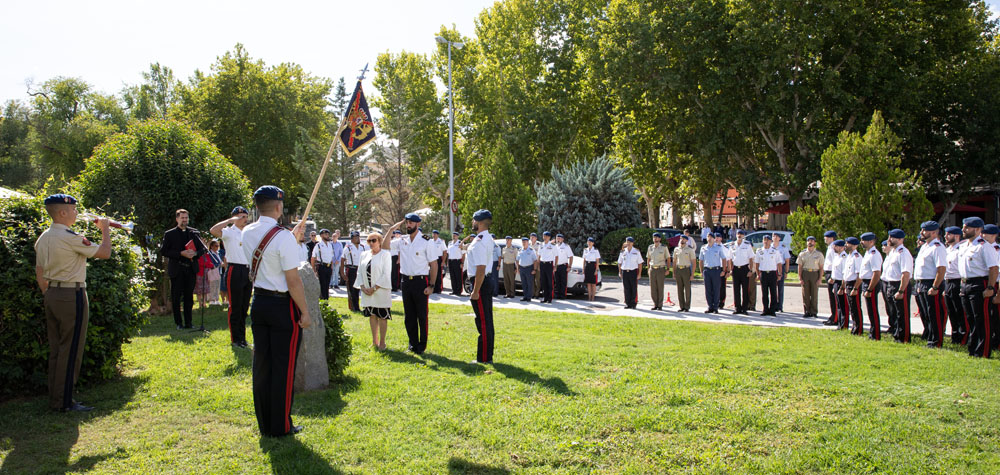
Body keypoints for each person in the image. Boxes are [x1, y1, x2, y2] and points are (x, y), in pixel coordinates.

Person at [241, 185, 312, 437]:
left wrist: (289, 237)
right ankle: (281, 425)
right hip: (283, 306)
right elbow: (293, 280)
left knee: (262, 365)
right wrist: (304, 311)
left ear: (258, 206)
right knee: (284, 366)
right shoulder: (282, 237)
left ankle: (264, 422)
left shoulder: (247, 231)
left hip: (259, 302)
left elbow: (268, 250)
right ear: (279, 207)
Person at [35, 194, 112, 412]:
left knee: (57, 349)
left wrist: (48, 293)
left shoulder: (44, 237)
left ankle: (56, 398)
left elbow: (39, 270)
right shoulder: (70, 237)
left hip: (52, 293)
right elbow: (105, 252)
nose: (77, 213)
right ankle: (64, 402)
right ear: (62, 213)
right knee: (71, 349)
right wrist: (105, 229)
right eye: (74, 210)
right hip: (71, 294)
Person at [382, 213, 439, 355]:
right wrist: (390, 230)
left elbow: (434, 264)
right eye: (407, 222)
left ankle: (421, 345)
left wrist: (431, 285)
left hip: (421, 281)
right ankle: (412, 344)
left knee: (422, 315)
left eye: (411, 223)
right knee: (409, 316)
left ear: (418, 224)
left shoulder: (427, 241)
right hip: (406, 281)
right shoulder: (402, 240)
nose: (408, 225)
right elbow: (385, 246)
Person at [210, 206, 252, 345]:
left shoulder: (248, 232)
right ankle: (236, 339)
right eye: (241, 217)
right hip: (235, 269)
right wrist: (229, 220)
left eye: (245, 216)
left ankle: (242, 338)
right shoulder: (229, 232)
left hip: (248, 270)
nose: (244, 219)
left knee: (244, 306)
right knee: (235, 305)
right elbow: (213, 231)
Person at [957, 217, 998, 357]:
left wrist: (990, 288)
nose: (963, 230)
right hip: (965, 283)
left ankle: (983, 351)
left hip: (980, 284)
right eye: (964, 227)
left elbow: (993, 268)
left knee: (982, 319)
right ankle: (973, 348)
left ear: (978, 230)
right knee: (971, 319)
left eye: (967, 227)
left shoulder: (984, 246)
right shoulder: (963, 246)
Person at [161, 209, 208, 329]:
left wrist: (195, 254)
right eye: (182, 218)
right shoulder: (169, 234)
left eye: (186, 218)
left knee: (189, 297)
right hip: (177, 269)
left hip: (190, 269)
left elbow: (202, 249)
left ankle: (189, 322)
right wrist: (181, 253)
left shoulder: (193, 233)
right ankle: (178, 323)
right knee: (176, 297)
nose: (185, 220)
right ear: (177, 219)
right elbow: (164, 251)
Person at [467, 209, 496, 364]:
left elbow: (480, 268)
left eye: (473, 220)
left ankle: (484, 358)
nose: (472, 223)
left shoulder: (479, 241)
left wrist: (475, 290)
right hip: (485, 280)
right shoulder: (487, 238)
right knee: (486, 320)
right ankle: (487, 355)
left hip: (481, 282)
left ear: (478, 222)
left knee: (483, 321)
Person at [912, 221, 948, 348]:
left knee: (935, 314)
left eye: (924, 230)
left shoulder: (937, 247)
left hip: (931, 283)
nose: (922, 233)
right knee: (927, 314)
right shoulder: (925, 246)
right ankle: (930, 338)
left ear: (933, 232)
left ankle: (936, 341)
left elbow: (941, 269)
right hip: (921, 283)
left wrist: (935, 286)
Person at [357, 232, 392, 350]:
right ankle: (374, 341)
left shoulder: (385, 254)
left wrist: (375, 288)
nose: (371, 243)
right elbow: (359, 272)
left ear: (380, 241)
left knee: (382, 316)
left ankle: (382, 342)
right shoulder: (364, 254)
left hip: (380, 291)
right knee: (372, 315)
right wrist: (362, 287)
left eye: (374, 240)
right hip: (367, 291)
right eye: (369, 241)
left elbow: (386, 273)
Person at [883, 229, 914, 343]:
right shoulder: (893, 252)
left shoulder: (903, 253)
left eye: (893, 237)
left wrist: (901, 290)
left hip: (900, 285)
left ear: (901, 239)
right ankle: (897, 334)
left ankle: (904, 337)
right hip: (891, 284)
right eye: (889, 237)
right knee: (895, 312)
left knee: (902, 313)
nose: (889, 239)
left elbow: (905, 274)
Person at [943, 226, 968, 345]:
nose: (945, 236)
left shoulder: (960, 250)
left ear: (957, 236)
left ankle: (964, 337)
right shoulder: (947, 250)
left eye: (949, 234)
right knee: (951, 312)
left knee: (960, 312)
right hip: (948, 282)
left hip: (958, 281)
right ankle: (955, 337)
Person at [858, 233, 884, 340]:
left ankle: (876, 334)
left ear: (871, 242)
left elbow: (876, 273)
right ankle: (873, 332)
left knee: (873, 309)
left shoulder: (874, 254)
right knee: (870, 310)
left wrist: (870, 288)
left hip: (871, 283)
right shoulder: (868, 253)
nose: (861, 242)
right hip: (866, 282)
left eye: (864, 240)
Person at [754, 235, 783, 316]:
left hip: (772, 273)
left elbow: (779, 263)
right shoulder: (759, 251)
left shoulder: (775, 251)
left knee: (773, 292)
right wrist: (758, 274)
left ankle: (772, 310)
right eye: (764, 240)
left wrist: (780, 273)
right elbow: (757, 264)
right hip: (763, 273)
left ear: (771, 241)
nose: (766, 241)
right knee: (764, 293)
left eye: (767, 240)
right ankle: (765, 309)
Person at [982, 224, 1000, 351]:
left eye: (985, 234)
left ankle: (997, 343)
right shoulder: (982, 248)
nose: (982, 236)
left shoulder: (996, 250)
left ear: (993, 235)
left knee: (997, 316)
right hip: (987, 283)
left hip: (996, 285)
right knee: (988, 315)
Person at [797, 236, 824, 318]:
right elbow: (800, 266)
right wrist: (800, 278)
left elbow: (821, 267)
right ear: (806, 243)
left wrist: (820, 278)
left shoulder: (819, 254)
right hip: (805, 273)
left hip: (814, 273)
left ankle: (814, 312)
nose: (810, 243)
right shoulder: (802, 253)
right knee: (805, 294)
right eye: (808, 241)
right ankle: (807, 311)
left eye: (812, 241)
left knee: (814, 294)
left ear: (815, 243)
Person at [842, 237, 864, 335]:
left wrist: (855, 288)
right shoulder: (849, 256)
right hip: (848, 283)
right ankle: (854, 327)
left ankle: (858, 329)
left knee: (856, 307)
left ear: (855, 245)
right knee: (852, 308)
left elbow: (860, 275)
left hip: (854, 284)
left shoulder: (857, 257)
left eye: (848, 243)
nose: (846, 245)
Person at [698, 234, 726, 313]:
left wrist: (723, 270)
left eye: (711, 237)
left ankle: (716, 307)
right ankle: (710, 306)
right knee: (708, 289)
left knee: (716, 289)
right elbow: (701, 260)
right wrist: (701, 271)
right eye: (708, 237)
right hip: (707, 270)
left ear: (714, 239)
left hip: (716, 270)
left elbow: (724, 259)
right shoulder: (703, 248)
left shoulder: (718, 248)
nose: (709, 239)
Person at [730, 230, 755, 315]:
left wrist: (750, 270)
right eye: (738, 234)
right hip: (736, 269)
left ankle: (744, 308)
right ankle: (737, 308)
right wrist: (730, 269)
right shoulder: (732, 245)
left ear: (744, 236)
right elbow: (730, 258)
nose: (739, 235)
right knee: (736, 289)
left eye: (741, 234)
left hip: (744, 268)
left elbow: (751, 258)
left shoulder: (747, 245)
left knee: (745, 289)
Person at [826, 239, 849, 328]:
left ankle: (844, 324)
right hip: (836, 282)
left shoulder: (844, 258)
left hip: (841, 283)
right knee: (838, 305)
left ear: (841, 247)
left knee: (843, 306)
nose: (833, 248)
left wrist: (842, 287)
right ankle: (840, 324)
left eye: (835, 246)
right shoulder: (837, 256)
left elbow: (844, 274)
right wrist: (832, 279)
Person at [341, 231, 366, 312]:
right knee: (352, 289)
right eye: (355, 237)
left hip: (360, 269)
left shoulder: (362, 247)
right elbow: (342, 259)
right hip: (351, 269)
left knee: (360, 288)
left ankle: (360, 306)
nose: (357, 239)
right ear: (352, 239)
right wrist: (342, 273)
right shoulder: (348, 248)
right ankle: (354, 307)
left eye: (358, 237)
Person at [618, 237, 643, 309]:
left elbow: (640, 263)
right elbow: (619, 263)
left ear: (632, 243)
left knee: (633, 288)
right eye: (627, 242)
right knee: (626, 288)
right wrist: (620, 272)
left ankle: (633, 303)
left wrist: (639, 274)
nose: (628, 243)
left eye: (630, 242)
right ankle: (627, 303)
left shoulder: (636, 251)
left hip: (633, 272)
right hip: (625, 271)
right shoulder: (623, 252)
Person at [672, 235, 696, 312]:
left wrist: (692, 274)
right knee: (679, 289)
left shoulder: (689, 250)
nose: (682, 240)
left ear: (686, 241)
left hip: (686, 269)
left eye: (684, 239)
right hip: (679, 269)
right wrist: (674, 272)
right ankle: (681, 306)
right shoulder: (676, 249)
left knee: (687, 289)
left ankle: (687, 306)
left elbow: (694, 262)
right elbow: (674, 261)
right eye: (681, 239)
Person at [647, 232, 670, 310]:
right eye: (654, 237)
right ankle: (655, 304)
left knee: (660, 287)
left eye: (657, 237)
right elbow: (648, 258)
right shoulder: (650, 247)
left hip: (660, 269)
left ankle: (660, 305)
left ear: (660, 239)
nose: (655, 239)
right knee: (653, 288)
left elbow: (668, 258)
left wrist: (668, 269)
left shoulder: (663, 247)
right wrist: (648, 268)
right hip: (652, 268)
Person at [311, 229, 335, 300]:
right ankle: (323, 301)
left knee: (327, 285)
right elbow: (313, 258)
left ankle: (326, 301)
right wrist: (314, 270)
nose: (327, 236)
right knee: (322, 285)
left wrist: (331, 267)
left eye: (328, 234)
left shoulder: (330, 245)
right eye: (325, 234)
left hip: (328, 267)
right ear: (321, 235)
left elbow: (331, 257)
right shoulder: (318, 245)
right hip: (321, 266)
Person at [822, 230, 838, 323]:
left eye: (827, 237)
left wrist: (832, 276)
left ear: (832, 238)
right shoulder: (830, 247)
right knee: (831, 297)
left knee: (833, 297)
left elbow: (835, 263)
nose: (825, 239)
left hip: (832, 273)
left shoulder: (833, 248)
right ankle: (833, 315)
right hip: (829, 272)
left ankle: (835, 317)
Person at [773, 233, 791, 312]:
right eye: (773, 236)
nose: (775, 238)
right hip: (772, 268)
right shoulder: (770, 247)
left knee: (780, 288)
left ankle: (780, 306)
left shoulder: (783, 248)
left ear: (779, 238)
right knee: (773, 288)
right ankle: (773, 305)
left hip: (781, 268)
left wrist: (786, 272)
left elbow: (787, 260)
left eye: (776, 236)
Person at [518, 237, 539, 301]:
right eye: (523, 242)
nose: (524, 243)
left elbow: (535, 260)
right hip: (522, 268)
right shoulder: (520, 250)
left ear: (528, 242)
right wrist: (518, 268)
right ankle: (525, 296)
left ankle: (529, 297)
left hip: (529, 268)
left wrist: (534, 269)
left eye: (525, 242)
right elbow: (517, 260)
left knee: (529, 283)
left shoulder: (531, 250)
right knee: (524, 283)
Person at [538, 232, 557, 303]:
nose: (545, 237)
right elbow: (539, 255)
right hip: (542, 264)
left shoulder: (552, 245)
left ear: (549, 237)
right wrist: (538, 264)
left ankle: (550, 298)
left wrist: (555, 266)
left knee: (550, 281)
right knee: (543, 282)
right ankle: (545, 297)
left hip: (549, 264)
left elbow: (556, 256)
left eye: (546, 236)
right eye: (544, 236)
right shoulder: (541, 245)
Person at [582, 237, 601, 302]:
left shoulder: (595, 250)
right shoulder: (585, 250)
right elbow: (584, 260)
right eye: (588, 242)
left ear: (593, 243)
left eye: (590, 242)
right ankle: (589, 297)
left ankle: (593, 298)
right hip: (587, 266)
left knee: (593, 283)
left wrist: (596, 270)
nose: (589, 243)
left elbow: (597, 261)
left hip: (593, 266)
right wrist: (583, 268)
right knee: (588, 283)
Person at [717, 233, 731, 309]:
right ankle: (715, 301)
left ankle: (721, 302)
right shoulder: (712, 247)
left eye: (718, 237)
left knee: (722, 287)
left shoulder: (725, 248)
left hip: (723, 268)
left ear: (721, 239)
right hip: (715, 268)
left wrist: (728, 271)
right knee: (714, 286)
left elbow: (728, 260)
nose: (716, 239)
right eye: (715, 237)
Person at [528, 233, 542, 298]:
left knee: (537, 280)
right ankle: (533, 293)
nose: (532, 238)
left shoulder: (539, 244)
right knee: (531, 280)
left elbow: (540, 254)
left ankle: (537, 294)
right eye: (531, 237)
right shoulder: (528, 245)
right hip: (531, 264)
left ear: (536, 238)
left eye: (533, 237)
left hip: (537, 263)